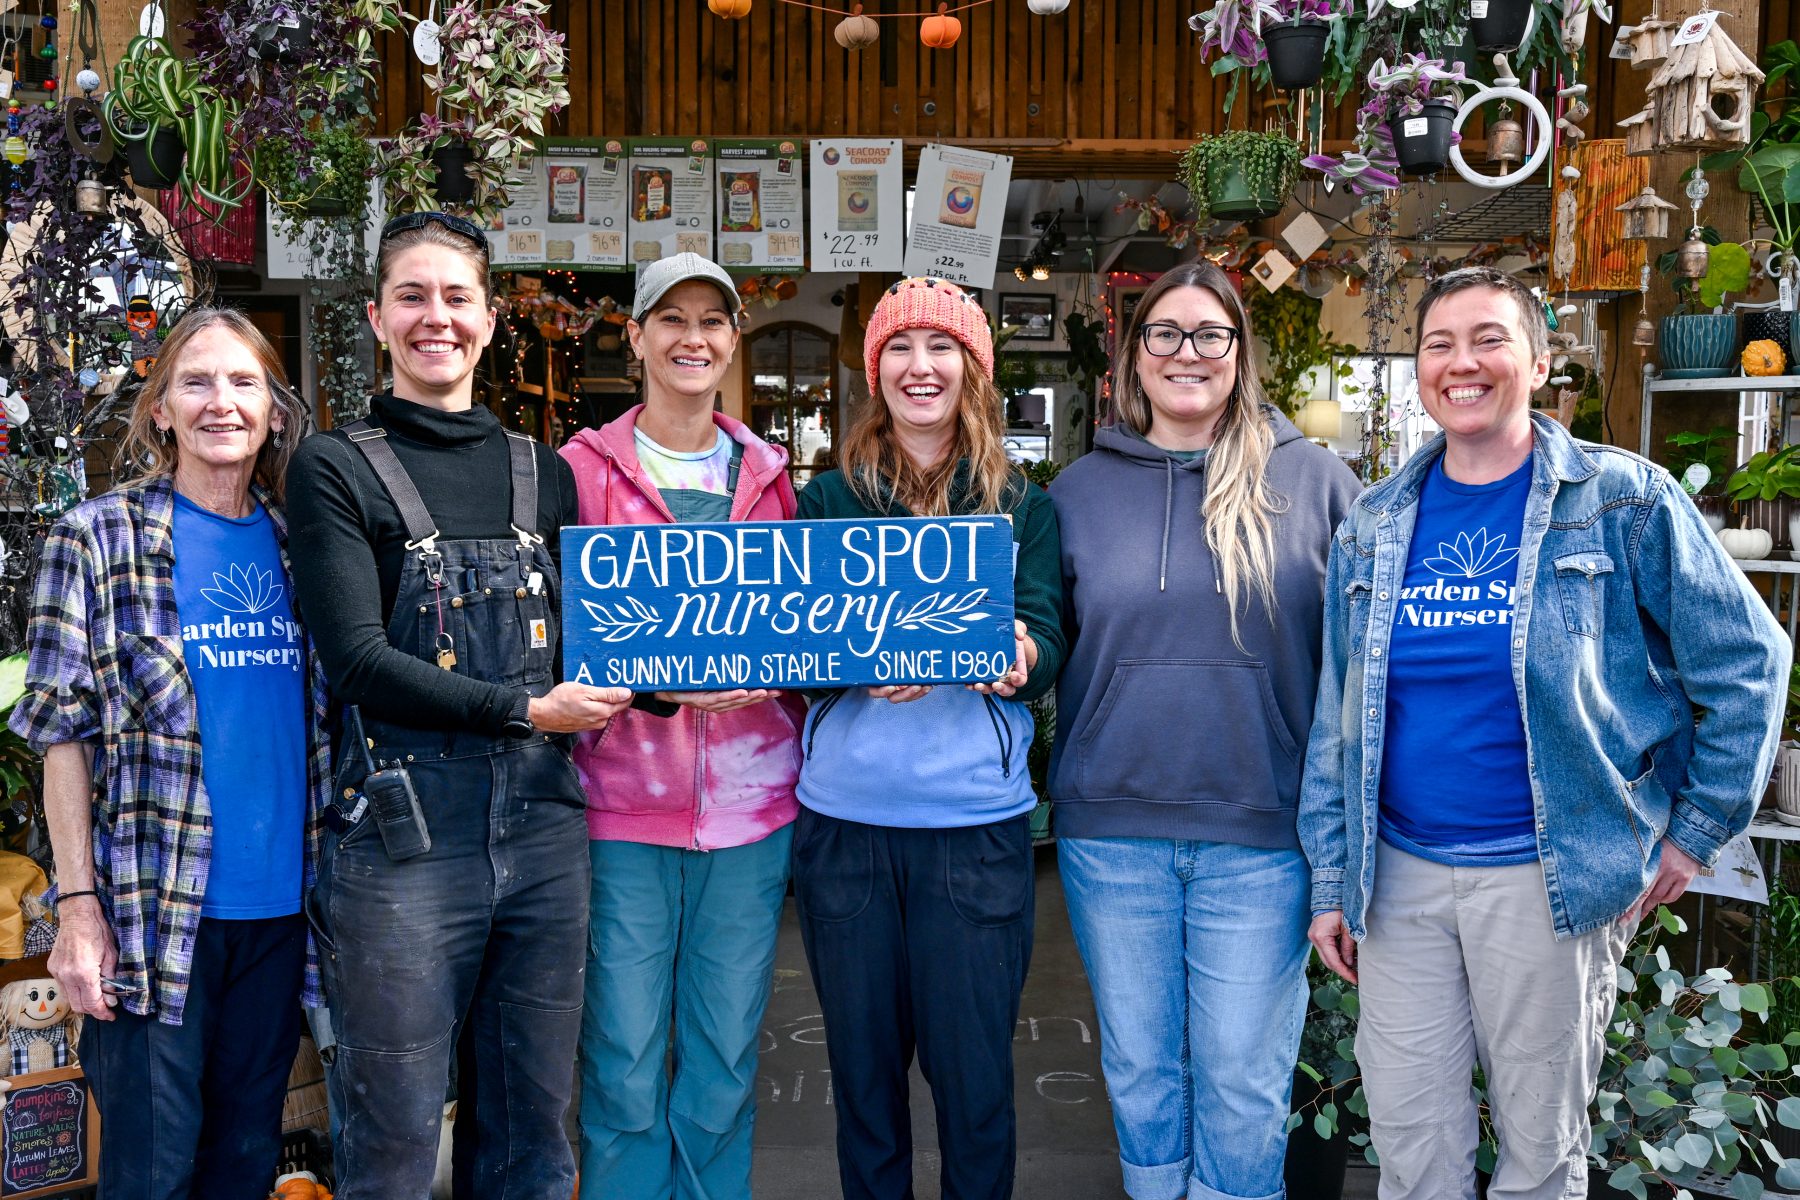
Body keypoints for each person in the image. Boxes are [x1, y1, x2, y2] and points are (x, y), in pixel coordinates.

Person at [1298, 266, 1790, 1199]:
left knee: (1539, 1155)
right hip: (1396, 881)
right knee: (1410, 1150)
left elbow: (1747, 660)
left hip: (1546, 878)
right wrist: (1332, 879)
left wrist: (1696, 830)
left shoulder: (1620, 500)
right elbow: (1339, 717)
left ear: (1536, 357)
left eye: (1488, 339)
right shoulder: (1375, 520)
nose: (1462, 363)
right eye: (1437, 345)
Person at [286, 211, 632, 1198]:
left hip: (542, 838)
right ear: (377, 317)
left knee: (531, 1130)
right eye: (413, 295)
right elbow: (355, 660)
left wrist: (675, 685)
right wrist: (526, 712)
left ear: (489, 320)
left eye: (457, 297)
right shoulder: (334, 466)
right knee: (393, 1141)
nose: (436, 316)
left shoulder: (547, 473)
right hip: (401, 845)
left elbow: (596, 648)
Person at [1047, 260, 1362, 1200]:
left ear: (1239, 352)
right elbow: (1035, 647)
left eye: (1209, 335)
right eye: (1166, 335)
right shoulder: (1075, 494)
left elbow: (1363, 675)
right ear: (1133, 356)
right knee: (1141, 1078)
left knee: (1241, 1086)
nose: (1188, 353)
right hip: (1111, 835)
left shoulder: (1315, 483)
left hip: (1262, 839)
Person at [10, 307, 324, 1199]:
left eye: (243, 383)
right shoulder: (95, 538)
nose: (220, 403)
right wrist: (78, 913)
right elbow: (60, 733)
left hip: (278, 916)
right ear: (160, 410)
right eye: (196, 381)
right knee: (150, 1179)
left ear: (273, 410)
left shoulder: (305, 548)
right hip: (153, 921)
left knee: (246, 1164)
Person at [791, 276, 1066, 1200]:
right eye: (900, 349)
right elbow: (796, 642)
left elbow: (1046, 628)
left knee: (975, 1085)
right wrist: (855, 661)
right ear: (878, 372)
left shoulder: (1020, 504)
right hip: (847, 830)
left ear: (972, 369)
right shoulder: (827, 498)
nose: (921, 367)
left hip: (974, 830)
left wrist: (1023, 649)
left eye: (940, 348)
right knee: (864, 1090)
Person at [559, 253, 807, 1199]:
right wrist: (661, 687)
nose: (692, 338)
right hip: (621, 808)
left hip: (751, 814)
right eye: (671, 319)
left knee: (724, 1062)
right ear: (636, 338)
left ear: (733, 340)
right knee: (621, 1061)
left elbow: (803, 628)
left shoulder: (770, 477)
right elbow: (559, 641)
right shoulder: (580, 473)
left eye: (712, 321)